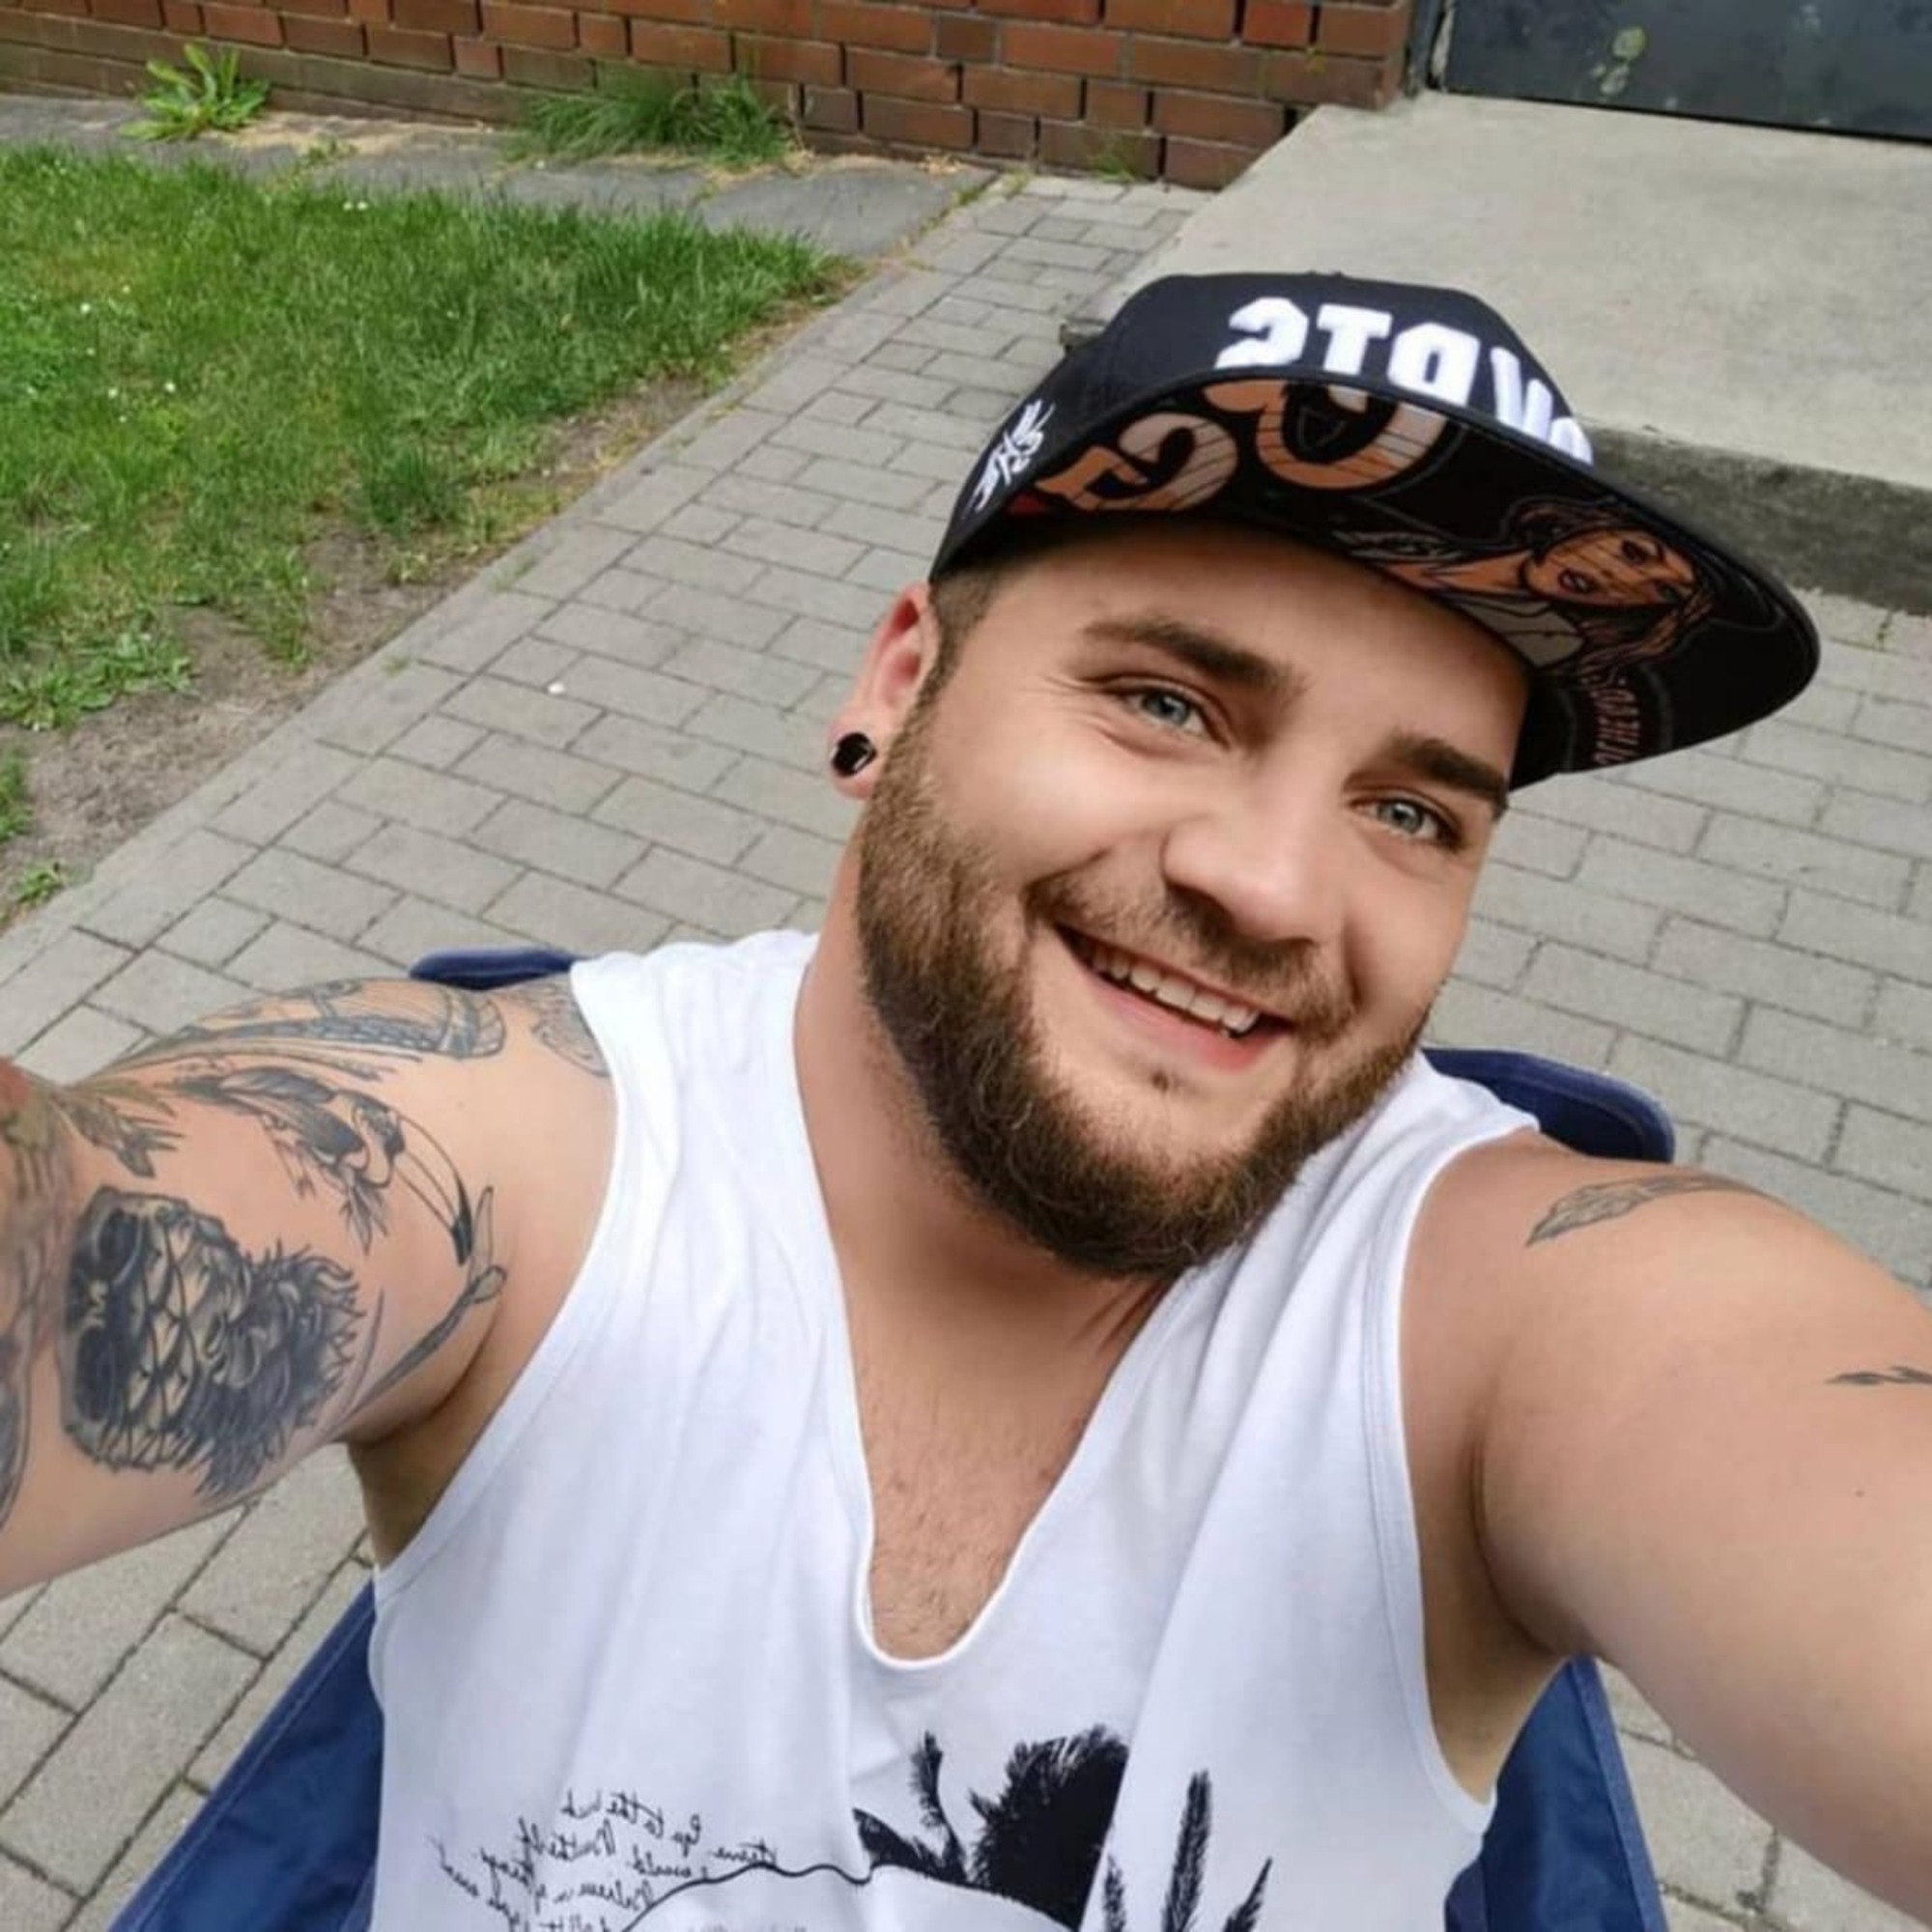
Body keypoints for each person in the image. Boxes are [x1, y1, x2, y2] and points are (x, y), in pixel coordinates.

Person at [1, 271, 1926, 1929]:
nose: (1276, 889)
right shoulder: (520, 1149)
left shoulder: (1512, 1313)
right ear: (899, 681)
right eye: (1168, 702)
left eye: (1412, 810)